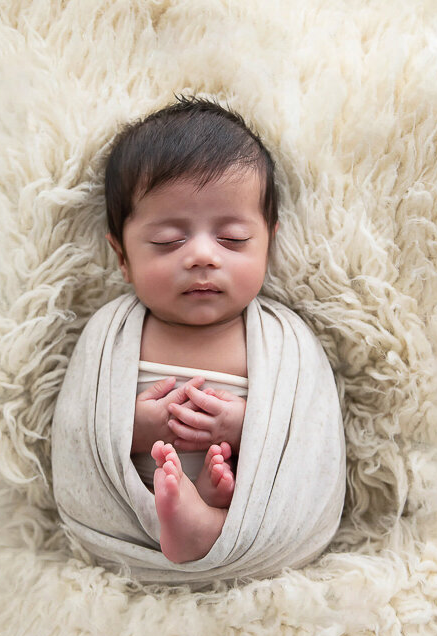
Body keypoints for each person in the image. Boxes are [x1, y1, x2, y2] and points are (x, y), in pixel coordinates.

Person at [102, 95, 280, 563]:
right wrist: (133, 429)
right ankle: (183, 512)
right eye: (168, 241)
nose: (203, 255)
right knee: (174, 479)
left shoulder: (285, 344)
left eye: (233, 239)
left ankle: (211, 518)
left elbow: (303, 434)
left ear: (269, 242)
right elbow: (84, 429)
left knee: (233, 477)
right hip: (132, 516)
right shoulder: (111, 336)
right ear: (122, 255)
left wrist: (247, 428)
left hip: (249, 516)